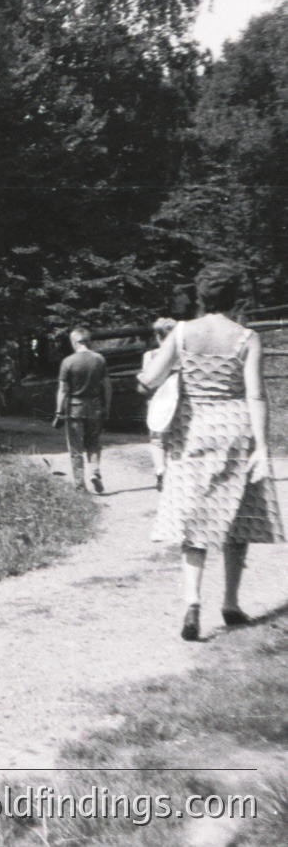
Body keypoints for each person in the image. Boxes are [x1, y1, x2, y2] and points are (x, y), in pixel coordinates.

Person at [140, 263, 282, 641]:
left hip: (195, 431)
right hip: (236, 430)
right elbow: (256, 394)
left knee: (196, 519)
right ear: (238, 298)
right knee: (239, 519)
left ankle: (191, 601)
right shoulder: (247, 337)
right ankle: (232, 603)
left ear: (201, 296)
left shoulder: (183, 332)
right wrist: (263, 447)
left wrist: (153, 379)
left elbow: (151, 378)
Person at [55, 326, 110, 494]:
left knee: (76, 448)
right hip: (95, 407)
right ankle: (94, 471)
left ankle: (80, 486)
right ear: (89, 341)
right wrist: (106, 406)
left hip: (74, 409)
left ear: (74, 342)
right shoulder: (99, 360)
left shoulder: (68, 362)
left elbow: (63, 390)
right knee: (94, 443)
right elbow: (107, 386)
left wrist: (58, 411)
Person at [141, 318, 180, 490]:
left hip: (158, 399)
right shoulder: (182, 355)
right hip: (179, 399)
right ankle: (176, 473)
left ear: (158, 336)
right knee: (177, 437)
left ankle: (160, 470)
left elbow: (147, 382)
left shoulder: (150, 356)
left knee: (157, 438)